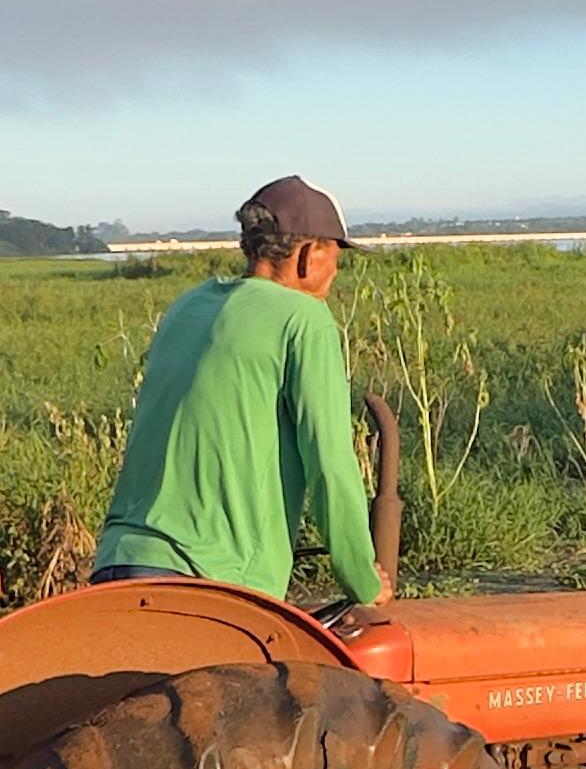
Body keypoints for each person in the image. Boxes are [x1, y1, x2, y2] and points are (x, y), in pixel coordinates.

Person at [91, 175, 384, 607]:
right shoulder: (304, 319)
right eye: (336, 255)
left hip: (117, 564)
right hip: (210, 578)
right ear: (307, 254)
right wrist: (363, 579)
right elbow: (330, 463)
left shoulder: (186, 307)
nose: (337, 272)